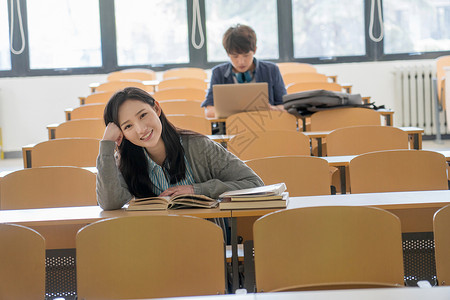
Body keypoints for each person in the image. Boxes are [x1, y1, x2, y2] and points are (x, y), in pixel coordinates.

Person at [97, 87, 264, 210]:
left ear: (156, 108)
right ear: (122, 134)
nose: (140, 129)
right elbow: (109, 204)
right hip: (154, 245)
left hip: (206, 241)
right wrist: (106, 147)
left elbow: (255, 184)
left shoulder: (199, 147)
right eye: (128, 126)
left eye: (143, 115)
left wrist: (197, 190)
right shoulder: (124, 161)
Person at [201, 24, 286, 118]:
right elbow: (209, 111)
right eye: (235, 56)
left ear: (254, 50)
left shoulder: (271, 70)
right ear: (227, 53)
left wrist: (272, 109)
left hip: (266, 127)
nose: (241, 62)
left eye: (246, 55)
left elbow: (284, 106)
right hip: (228, 129)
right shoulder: (218, 73)